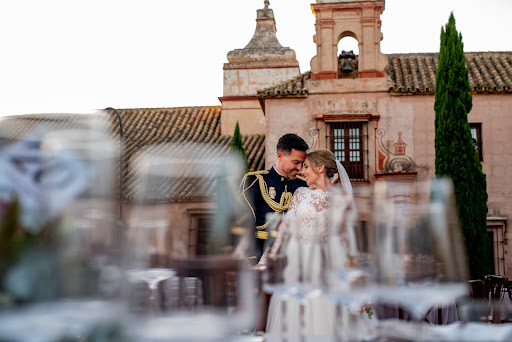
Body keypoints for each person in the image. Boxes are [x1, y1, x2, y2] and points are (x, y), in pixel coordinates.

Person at [260, 148, 355, 336]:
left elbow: (346, 240)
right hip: (298, 263)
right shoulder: (301, 194)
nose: (302, 172)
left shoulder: (342, 199)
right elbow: (284, 229)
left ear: (320, 168)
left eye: (306, 167)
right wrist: (266, 259)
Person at [239, 133, 309, 262]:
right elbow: (245, 227)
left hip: (293, 259)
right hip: (260, 258)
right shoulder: (255, 182)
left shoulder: (302, 186)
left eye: (302, 163)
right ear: (280, 156)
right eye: (296, 162)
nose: (299, 168)